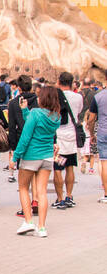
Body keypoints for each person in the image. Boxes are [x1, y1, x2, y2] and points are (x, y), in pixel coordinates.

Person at [14, 84, 61, 236]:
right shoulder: (56, 117)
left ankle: (28, 221)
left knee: (23, 188)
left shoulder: (36, 113)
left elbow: (26, 136)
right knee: (42, 192)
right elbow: (35, 121)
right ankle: (41, 227)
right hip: (47, 157)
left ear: (43, 98)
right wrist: (25, 110)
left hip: (31, 156)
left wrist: (16, 156)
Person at [52, 70, 83, 210]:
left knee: (58, 168)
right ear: (72, 83)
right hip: (72, 137)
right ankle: (69, 196)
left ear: (59, 81)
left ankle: (60, 198)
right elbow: (78, 112)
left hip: (59, 137)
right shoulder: (78, 97)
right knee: (70, 166)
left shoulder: (56, 96)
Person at [8, 74, 37, 217]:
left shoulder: (14, 103)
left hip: (21, 141)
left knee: (24, 178)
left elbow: (12, 127)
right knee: (36, 175)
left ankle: (26, 208)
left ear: (18, 88)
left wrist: (13, 148)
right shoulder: (38, 101)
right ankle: (36, 201)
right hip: (37, 140)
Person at [85, 81, 107, 202]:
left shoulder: (98, 97)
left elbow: (92, 119)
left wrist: (92, 134)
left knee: (104, 162)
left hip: (103, 131)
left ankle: (106, 194)